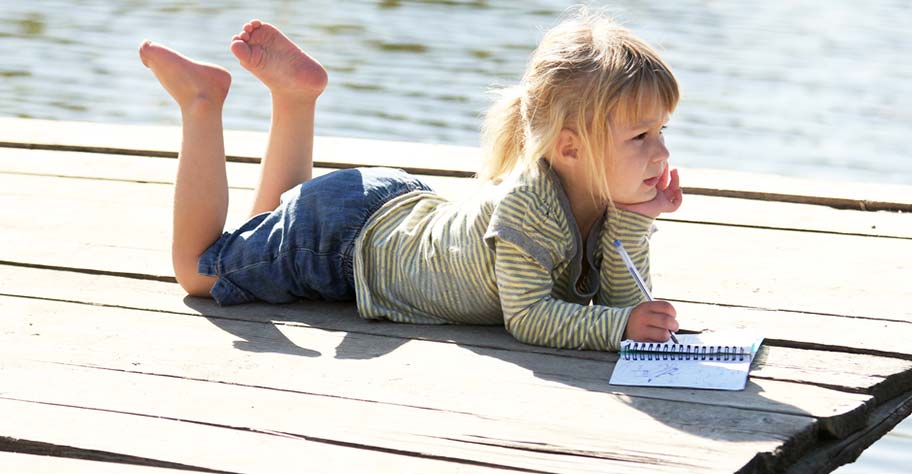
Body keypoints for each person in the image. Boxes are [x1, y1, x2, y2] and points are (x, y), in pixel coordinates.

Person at [138, 10, 682, 352]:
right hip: (343, 243)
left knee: (266, 233)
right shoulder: (529, 205)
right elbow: (531, 317)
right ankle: (201, 102)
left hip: (387, 213)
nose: (660, 151)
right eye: (640, 136)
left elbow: (621, 301)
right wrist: (621, 327)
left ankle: (294, 98)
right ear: (569, 147)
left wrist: (635, 219)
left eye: (661, 130)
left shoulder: (603, 198)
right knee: (199, 270)